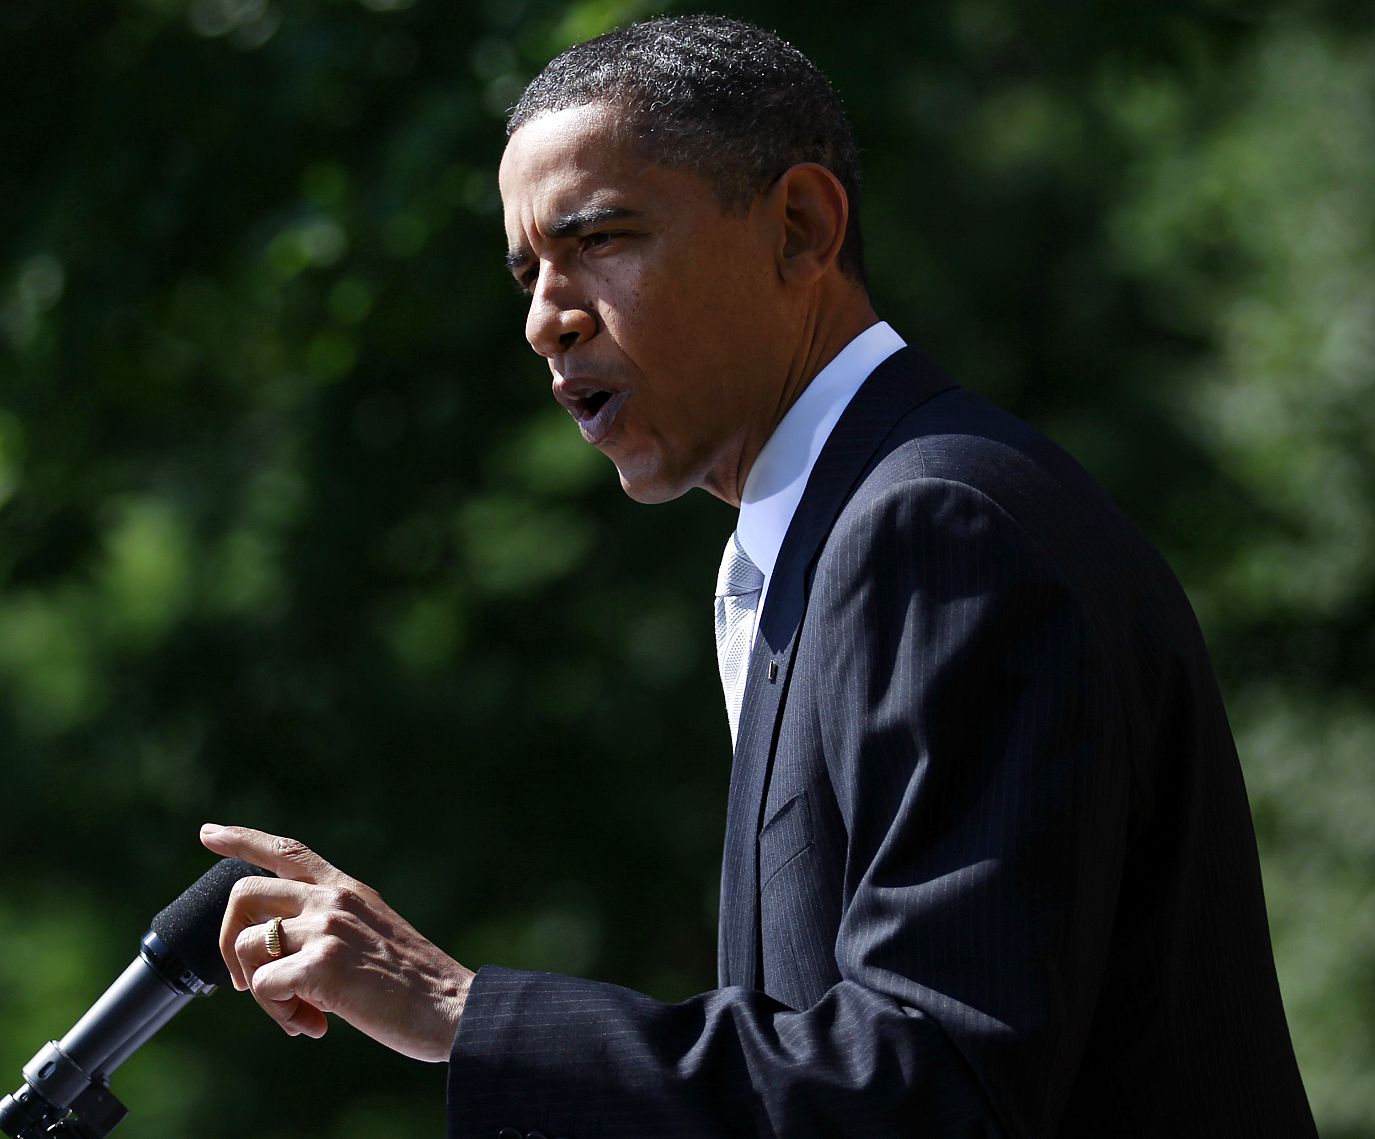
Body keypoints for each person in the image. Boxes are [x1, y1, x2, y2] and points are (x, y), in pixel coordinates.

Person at [204, 14, 1318, 1137]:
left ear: (799, 226)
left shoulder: (937, 529)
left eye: (599, 239)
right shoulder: (827, 541)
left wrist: (462, 1010)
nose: (547, 318)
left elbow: (936, 1083)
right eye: (528, 271)